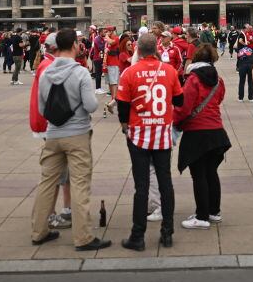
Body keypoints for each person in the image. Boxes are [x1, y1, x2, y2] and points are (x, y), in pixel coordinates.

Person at [30, 29, 109, 250]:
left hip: (53, 135)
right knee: (79, 183)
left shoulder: (45, 72)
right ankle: (83, 237)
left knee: (47, 182)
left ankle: (39, 231)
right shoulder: (81, 73)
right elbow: (91, 105)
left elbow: (42, 107)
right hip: (77, 135)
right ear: (75, 45)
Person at [116, 33, 183, 251]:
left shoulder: (129, 72)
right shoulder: (169, 71)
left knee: (141, 186)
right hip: (162, 135)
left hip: (138, 135)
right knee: (166, 183)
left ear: (138, 50)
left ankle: (138, 236)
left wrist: (125, 124)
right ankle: (167, 232)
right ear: (156, 49)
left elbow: (123, 104)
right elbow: (179, 100)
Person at [175, 44, 231, 230]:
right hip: (217, 132)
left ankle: (201, 216)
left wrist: (174, 121)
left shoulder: (193, 79)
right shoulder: (219, 80)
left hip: (197, 133)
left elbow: (185, 107)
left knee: (199, 175)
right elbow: (219, 98)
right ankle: (213, 212)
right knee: (211, 173)